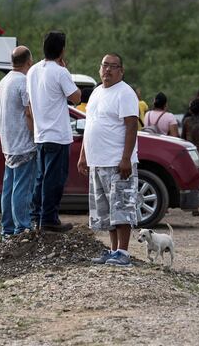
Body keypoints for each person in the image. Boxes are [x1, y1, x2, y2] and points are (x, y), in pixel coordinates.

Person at [78, 53, 139, 267]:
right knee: (107, 211)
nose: (108, 70)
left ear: (121, 71)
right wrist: (83, 155)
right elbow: (89, 125)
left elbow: (132, 126)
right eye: (105, 65)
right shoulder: (95, 93)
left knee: (122, 207)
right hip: (97, 161)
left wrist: (126, 159)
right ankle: (113, 250)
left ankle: (123, 252)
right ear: (99, 68)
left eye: (114, 66)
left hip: (116, 161)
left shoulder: (125, 92)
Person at [27, 31, 81, 233]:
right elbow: (76, 98)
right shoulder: (60, 72)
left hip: (40, 134)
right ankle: (49, 218)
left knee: (41, 178)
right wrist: (65, 70)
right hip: (57, 135)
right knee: (54, 179)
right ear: (62, 50)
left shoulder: (33, 70)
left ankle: (36, 217)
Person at [0, 46, 36, 238]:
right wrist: (36, 135)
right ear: (29, 61)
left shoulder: (4, 81)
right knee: (22, 187)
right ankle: (22, 228)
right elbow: (29, 112)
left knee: (9, 187)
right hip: (24, 144)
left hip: (8, 143)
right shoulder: (24, 82)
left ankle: (7, 229)